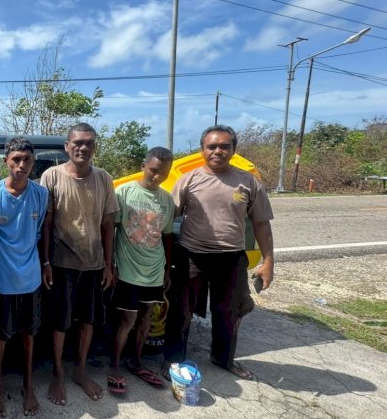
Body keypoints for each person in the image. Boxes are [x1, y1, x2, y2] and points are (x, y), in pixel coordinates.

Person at [162, 125, 274, 380]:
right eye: (212, 146)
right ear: (202, 150)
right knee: (182, 311)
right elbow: (168, 219)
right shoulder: (189, 180)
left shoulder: (248, 182)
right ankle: (173, 359)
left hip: (231, 257)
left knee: (229, 311)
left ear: (234, 150)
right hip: (191, 255)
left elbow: (261, 224)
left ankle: (223, 358)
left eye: (225, 146)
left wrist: (268, 262)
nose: (218, 151)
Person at [40, 122, 119, 405]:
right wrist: (46, 261)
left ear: (95, 147)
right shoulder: (51, 176)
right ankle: (58, 373)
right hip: (61, 263)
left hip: (94, 264)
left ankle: (80, 370)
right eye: (77, 142)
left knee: (88, 320)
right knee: (60, 322)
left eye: (89, 143)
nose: (83, 147)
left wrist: (109, 265)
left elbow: (109, 224)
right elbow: (46, 224)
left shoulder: (104, 178)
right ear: (66, 146)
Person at [0, 138, 48, 417]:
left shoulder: (41, 195)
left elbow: (39, 231)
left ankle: (28, 385)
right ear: (6, 161)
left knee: (29, 335)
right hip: (0, 280)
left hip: (30, 279)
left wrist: (44, 263)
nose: (22, 165)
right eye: (16, 159)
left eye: (27, 160)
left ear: (33, 162)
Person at [107, 147, 175, 394]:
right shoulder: (124, 193)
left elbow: (167, 236)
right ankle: (114, 364)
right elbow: (112, 230)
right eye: (154, 170)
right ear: (144, 165)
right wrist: (111, 263)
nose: (157, 177)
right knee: (127, 319)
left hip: (154, 269)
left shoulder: (167, 200)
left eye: (164, 173)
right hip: (127, 268)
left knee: (146, 317)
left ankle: (135, 361)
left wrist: (167, 269)